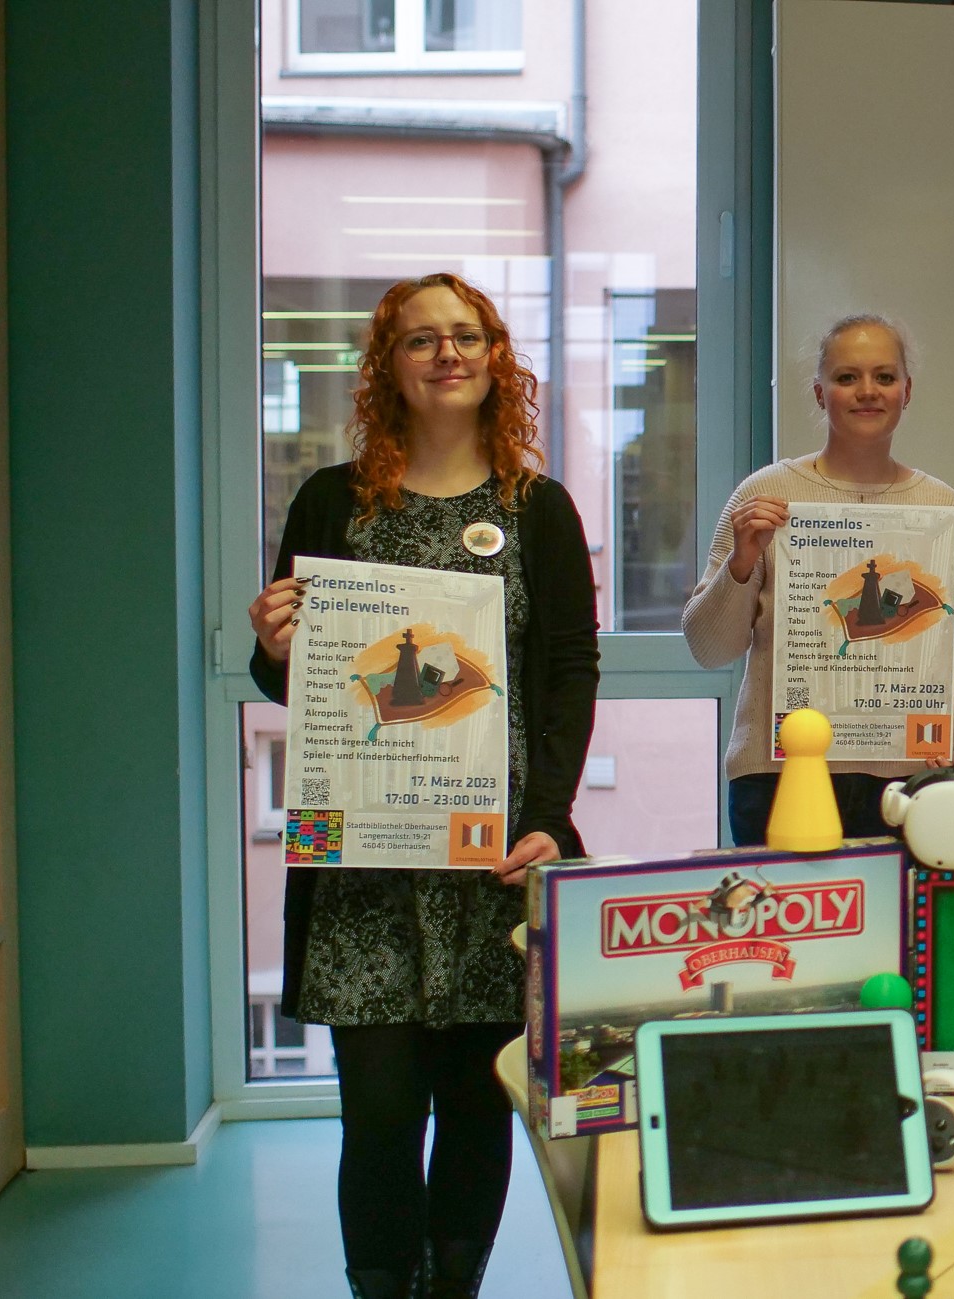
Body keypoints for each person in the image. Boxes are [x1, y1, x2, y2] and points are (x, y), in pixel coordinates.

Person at [247, 272, 601, 1299]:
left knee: (482, 1107)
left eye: (465, 336)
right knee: (382, 1113)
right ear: (387, 368)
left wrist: (547, 819)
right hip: (364, 873)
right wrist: (277, 648)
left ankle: (454, 1287)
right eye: (420, 341)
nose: (445, 355)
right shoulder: (331, 499)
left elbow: (571, 673)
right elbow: (297, 681)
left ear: (495, 359)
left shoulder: (538, 510)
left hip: (489, 862)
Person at [682, 314, 954, 843]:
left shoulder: (941, 505)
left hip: (911, 781)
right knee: (789, 929)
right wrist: (739, 564)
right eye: (847, 377)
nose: (867, 392)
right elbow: (711, 648)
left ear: (907, 391)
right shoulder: (766, 494)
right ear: (820, 393)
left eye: (884, 377)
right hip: (780, 777)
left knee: (904, 927)